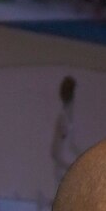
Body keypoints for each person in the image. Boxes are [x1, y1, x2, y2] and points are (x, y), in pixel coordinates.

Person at [46, 72, 78, 204]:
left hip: (64, 167)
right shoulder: (63, 118)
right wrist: (67, 166)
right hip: (62, 169)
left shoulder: (67, 117)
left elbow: (69, 144)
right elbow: (55, 150)